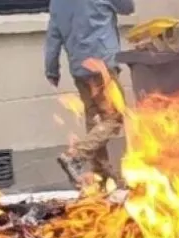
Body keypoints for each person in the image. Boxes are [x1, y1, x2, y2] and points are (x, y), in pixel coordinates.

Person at [45, 0, 135, 188]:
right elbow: (128, 8)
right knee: (114, 118)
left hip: (79, 69)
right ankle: (75, 156)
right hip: (102, 66)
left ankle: (102, 178)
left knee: (95, 122)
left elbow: (53, 36)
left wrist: (52, 69)